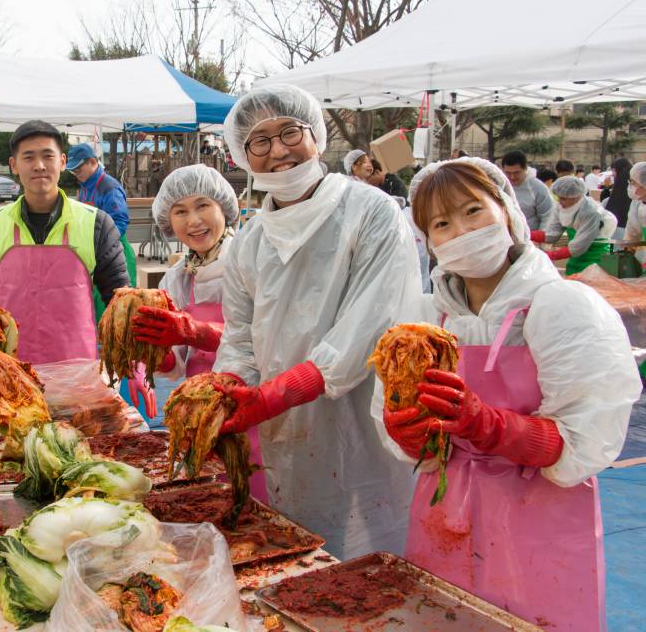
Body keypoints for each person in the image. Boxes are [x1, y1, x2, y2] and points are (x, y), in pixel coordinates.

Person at [378, 157, 637, 631]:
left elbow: (585, 438)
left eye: (473, 211)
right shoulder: (428, 320)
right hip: (445, 510)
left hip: (538, 518)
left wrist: (489, 425)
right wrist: (410, 434)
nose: (460, 230)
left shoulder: (561, 306)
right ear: (428, 241)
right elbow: (416, 443)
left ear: (507, 210)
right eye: (441, 223)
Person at [211, 84, 421, 559]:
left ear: (318, 136)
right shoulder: (249, 241)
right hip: (282, 429)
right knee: (297, 552)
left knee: (371, 565)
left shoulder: (372, 212)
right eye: (258, 142)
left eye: (289, 132)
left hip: (362, 419)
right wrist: (227, 392)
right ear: (243, 157)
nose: (278, 151)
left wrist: (280, 391)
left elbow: (372, 322)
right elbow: (241, 337)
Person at [129, 164, 268, 497]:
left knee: (257, 497)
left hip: (255, 406)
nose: (193, 220)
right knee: (211, 498)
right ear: (169, 221)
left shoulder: (252, 259)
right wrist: (153, 356)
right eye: (180, 211)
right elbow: (175, 362)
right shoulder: (177, 278)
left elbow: (265, 336)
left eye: (202, 205)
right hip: (199, 411)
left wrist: (194, 330)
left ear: (225, 207)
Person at [0, 121, 129, 365]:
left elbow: (119, 303)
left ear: (63, 162)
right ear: (14, 165)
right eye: (29, 157)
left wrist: (131, 360)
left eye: (48, 156)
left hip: (78, 376)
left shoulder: (97, 224)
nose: (39, 166)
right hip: (9, 377)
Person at [67, 142, 137, 302]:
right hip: (92, 253)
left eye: (79, 169)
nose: (76, 173)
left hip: (115, 252)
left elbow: (120, 223)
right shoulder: (85, 188)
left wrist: (101, 247)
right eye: (73, 171)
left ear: (93, 162)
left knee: (118, 304)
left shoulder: (109, 188)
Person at [531, 176, 617, 275]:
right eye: (558, 198)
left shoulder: (591, 212)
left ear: (576, 196)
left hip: (596, 256)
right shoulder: (561, 206)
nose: (560, 202)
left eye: (563, 199)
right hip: (576, 256)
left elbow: (578, 247)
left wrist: (549, 256)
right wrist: (528, 234)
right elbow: (551, 235)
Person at [500, 150, 554, 230]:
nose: (512, 177)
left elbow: (548, 216)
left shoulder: (538, 188)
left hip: (530, 236)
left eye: (516, 173)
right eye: (508, 173)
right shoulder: (500, 185)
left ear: (525, 168)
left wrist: (540, 238)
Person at [605, 157, 633, 234]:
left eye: (614, 170)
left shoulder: (622, 184)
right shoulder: (628, 183)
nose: (613, 173)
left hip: (619, 225)